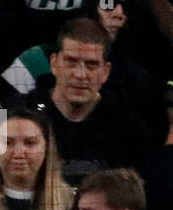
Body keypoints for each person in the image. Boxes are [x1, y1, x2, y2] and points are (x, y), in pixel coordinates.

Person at [36, 19, 155, 187]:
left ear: (105, 72)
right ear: (54, 63)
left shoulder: (130, 129)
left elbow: (138, 201)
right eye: (71, 62)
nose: (80, 74)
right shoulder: (22, 114)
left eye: (91, 65)